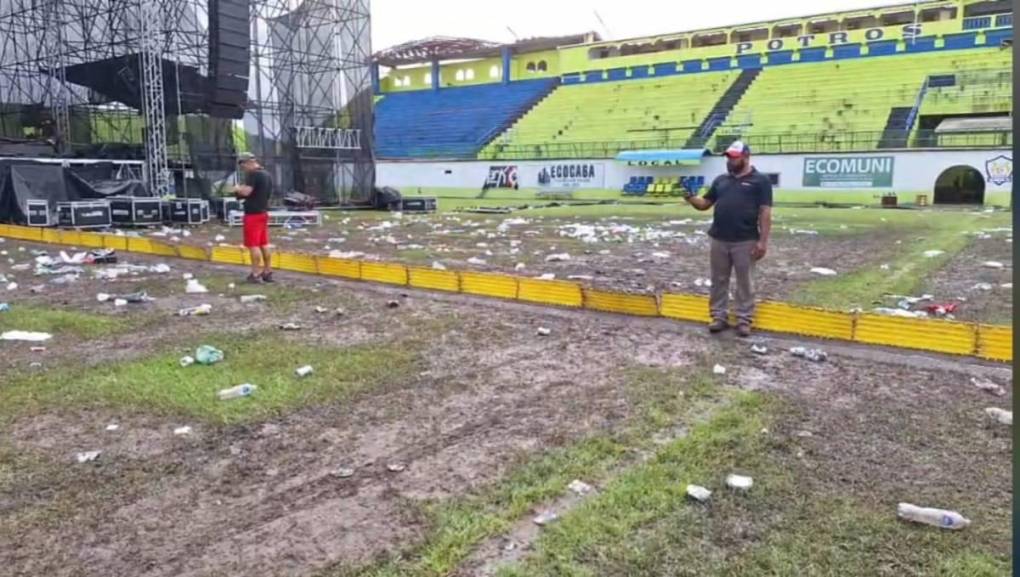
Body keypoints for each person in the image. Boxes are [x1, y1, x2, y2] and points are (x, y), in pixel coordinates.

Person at [684, 141, 772, 337]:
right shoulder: (721, 180)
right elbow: (705, 204)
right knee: (718, 280)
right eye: (728, 157)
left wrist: (763, 242)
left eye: (734, 157)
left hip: (745, 240)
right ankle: (718, 317)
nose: (730, 161)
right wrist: (690, 197)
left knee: (745, 282)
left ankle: (744, 319)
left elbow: (765, 212)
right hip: (719, 239)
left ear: (746, 157)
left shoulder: (761, 181)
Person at [232, 152, 274, 283]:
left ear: (247, 163)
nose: (243, 169)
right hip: (263, 212)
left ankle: (255, 274)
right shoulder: (266, 174)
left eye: (243, 166)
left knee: (253, 245)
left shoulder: (253, 175)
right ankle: (267, 271)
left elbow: (247, 192)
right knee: (264, 243)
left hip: (253, 214)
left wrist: (237, 189)